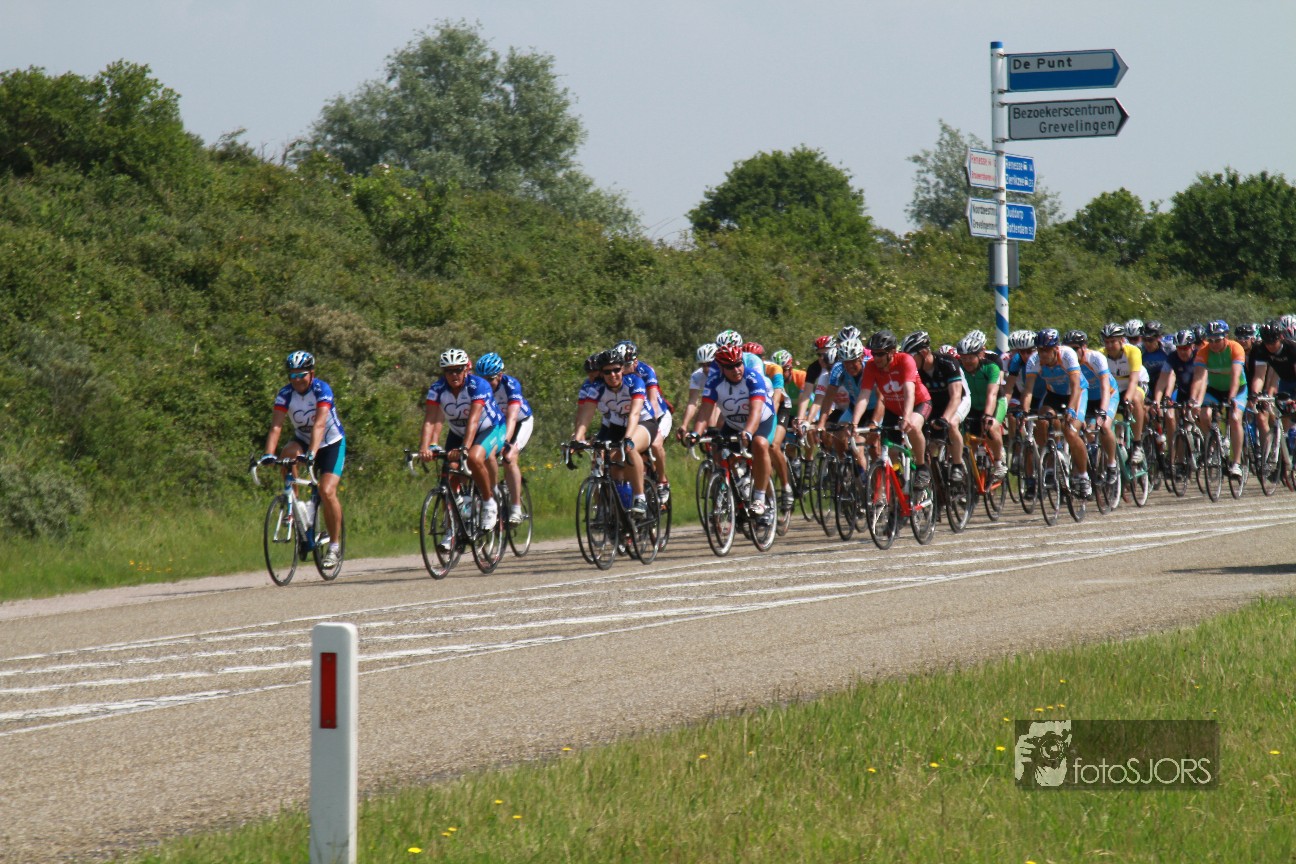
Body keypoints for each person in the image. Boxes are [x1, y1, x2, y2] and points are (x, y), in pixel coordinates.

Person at [260, 351, 346, 569]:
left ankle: (334, 546)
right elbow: (276, 426)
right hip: (304, 441)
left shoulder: (321, 390)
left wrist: (312, 453)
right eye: (293, 375)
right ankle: (294, 507)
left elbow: (319, 424)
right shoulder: (285, 394)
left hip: (331, 443)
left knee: (326, 491)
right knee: (286, 456)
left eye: (302, 375)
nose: (297, 380)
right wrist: (268, 453)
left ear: (312, 373)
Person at [418, 348, 507, 538]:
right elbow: (430, 420)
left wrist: (464, 448)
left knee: (474, 458)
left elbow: (474, 421)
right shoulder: (437, 389)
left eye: (458, 369)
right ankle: (452, 529)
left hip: (489, 428)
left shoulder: (478, 386)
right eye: (448, 371)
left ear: (466, 369)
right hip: (459, 432)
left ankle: (489, 502)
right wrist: (425, 447)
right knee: (449, 473)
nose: (454, 375)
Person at [688, 344, 776, 525]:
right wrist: (696, 433)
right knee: (718, 449)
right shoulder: (714, 382)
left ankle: (760, 498)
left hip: (761, 420)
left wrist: (748, 432)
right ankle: (734, 489)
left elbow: (755, 411)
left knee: (759, 444)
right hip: (734, 423)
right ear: (721, 368)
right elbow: (705, 411)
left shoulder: (753, 378)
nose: (736, 370)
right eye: (730, 367)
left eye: (738, 364)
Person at [572, 344, 658, 515]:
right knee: (608, 462)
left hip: (643, 422)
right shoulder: (597, 388)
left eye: (616, 370)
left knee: (630, 448)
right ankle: (619, 508)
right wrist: (578, 438)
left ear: (622, 369)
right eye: (607, 372)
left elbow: (634, 414)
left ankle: (640, 498)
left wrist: (628, 438)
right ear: (601, 373)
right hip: (618, 424)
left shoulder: (635, 382)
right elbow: (586, 415)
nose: (612, 375)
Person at [851, 330, 933, 488]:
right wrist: (854, 423)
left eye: (880, 354)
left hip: (919, 403)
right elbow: (864, 395)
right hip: (893, 409)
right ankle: (896, 487)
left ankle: (922, 467)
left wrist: (907, 417)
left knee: (913, 426)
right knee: (890, 450)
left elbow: (909, 391)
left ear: (892, 352)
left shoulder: (905, 360)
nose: (876, 358)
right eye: (874, 353)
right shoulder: (871, 366)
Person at [1019, 328, 1092, 499]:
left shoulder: (1067, 355)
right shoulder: (1034, 360)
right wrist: (1024, 412)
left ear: (1056, 349)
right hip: (1054, 394)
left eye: (1047, 350)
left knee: (1071, 432)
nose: (1043, 354)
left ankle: (1083, 477)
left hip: (1077, 393)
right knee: (1043, 421)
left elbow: (1075, 386)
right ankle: (1051, 461)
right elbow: (1028, 390)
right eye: (1040, 350)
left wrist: (1071, 409)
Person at [475, 352, 534, 525]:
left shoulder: (510, 385)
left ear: (500, 376)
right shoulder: (478, 388)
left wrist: (505, 442)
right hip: (497, 425)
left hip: (520, 422)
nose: (486, 383)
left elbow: (512, 417)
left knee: (509, 458)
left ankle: (516, 509)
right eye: (482, 379)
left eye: (490, 379)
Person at [904, 330, 969, 482]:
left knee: (952, 424)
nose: (908, 361)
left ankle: (958, 465)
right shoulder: (914, 371)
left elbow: (956, 396)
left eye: (911, 356)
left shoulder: (947, 363)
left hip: (957, 400)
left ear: (924, 353)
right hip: (933, 404)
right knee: (927, 443)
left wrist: (945, 419)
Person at [1189, 320, 1247, 480]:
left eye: (1217, 340)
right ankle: (1215, 444)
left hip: (1237, 388)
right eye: (1211, 340)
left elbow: (1235, 376)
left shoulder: (1235, 348)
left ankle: (1236, 463)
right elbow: (1198, 378)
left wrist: (1232, 397)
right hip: (1214, 389)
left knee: (1234, 418)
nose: (1213, 344)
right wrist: (1193, 400)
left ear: (1225, 337)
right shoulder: (1204, 351)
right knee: (1203, 415)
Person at [956, 329, 1008, 477]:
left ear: (980, 355)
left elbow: (992, 394)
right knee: (970, 441)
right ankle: (972, 478)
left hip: (996, 402)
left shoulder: (991, 367)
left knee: (991, 427)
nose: (967, 362)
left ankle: (998, 462)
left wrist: (987, 415)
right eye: (963, 358)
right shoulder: (959, 369)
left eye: (970, 357)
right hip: (972, 405)